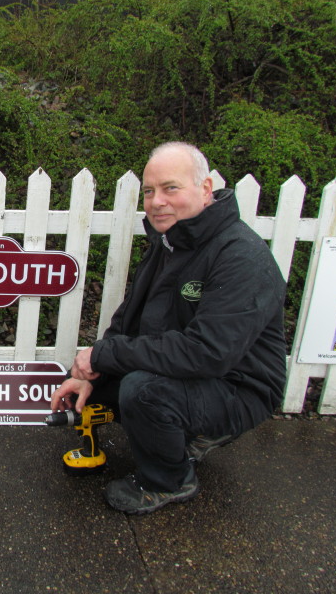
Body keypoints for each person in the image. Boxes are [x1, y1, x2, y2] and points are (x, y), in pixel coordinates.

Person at [51, 142, 286, 515]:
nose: (156, 201)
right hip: (190, 371)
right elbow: (131, 318)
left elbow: (207, 352)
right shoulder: (170, 243)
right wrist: (93, 370)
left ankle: (169, 479)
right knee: (93, 387)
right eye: (149, 191)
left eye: (170, 188)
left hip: (240, 387)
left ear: (205, 188)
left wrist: (105, 355)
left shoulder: (242, 257)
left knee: (142, 392)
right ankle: (179, 437)